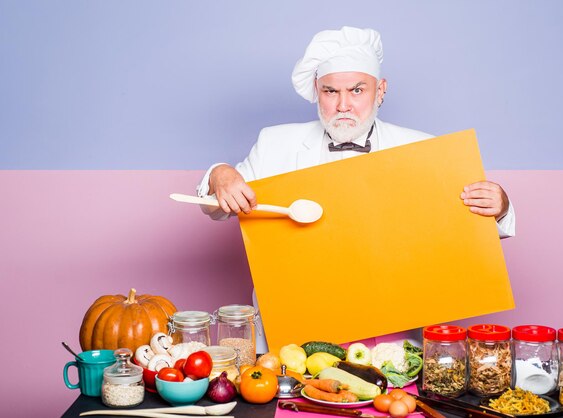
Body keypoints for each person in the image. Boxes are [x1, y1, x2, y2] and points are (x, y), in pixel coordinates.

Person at [197, 27, 516, 352]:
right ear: (316, 90)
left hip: (391, 333)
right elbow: (220, 206)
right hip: (295, 328)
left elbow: (460, 227)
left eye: (357, 90)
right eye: (331, 91)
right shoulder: (275, 143)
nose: (343, 104)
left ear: (380, 91)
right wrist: (219, 175)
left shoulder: (422, 149)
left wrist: (499, 206)